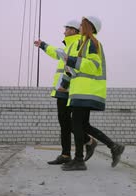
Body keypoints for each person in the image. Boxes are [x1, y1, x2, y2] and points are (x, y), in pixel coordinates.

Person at [60, 16, 125, 171]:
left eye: (82, 25)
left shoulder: (92, 43)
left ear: (89, 27)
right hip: (81, 90)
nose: (80, 27)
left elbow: (92, 66)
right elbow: (77, 68)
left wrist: (71, 60)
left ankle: (79, 160)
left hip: (86, 91)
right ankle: (114, 146)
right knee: (83, 124)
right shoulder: (84, 44)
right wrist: (65, 84)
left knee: (76, 124)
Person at [34, 20, 96, 165]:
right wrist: (43, 45)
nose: (64, 31)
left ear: (73, 31)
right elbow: (57, 53)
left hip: (70, 88)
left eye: (66, 29)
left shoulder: (78, 43)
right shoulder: (69, 45)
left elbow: (74, 66)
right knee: (64, 122)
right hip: (63, 89)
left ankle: (85, 144)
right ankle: (66, 154)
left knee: (73, 123)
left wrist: (65, 83)